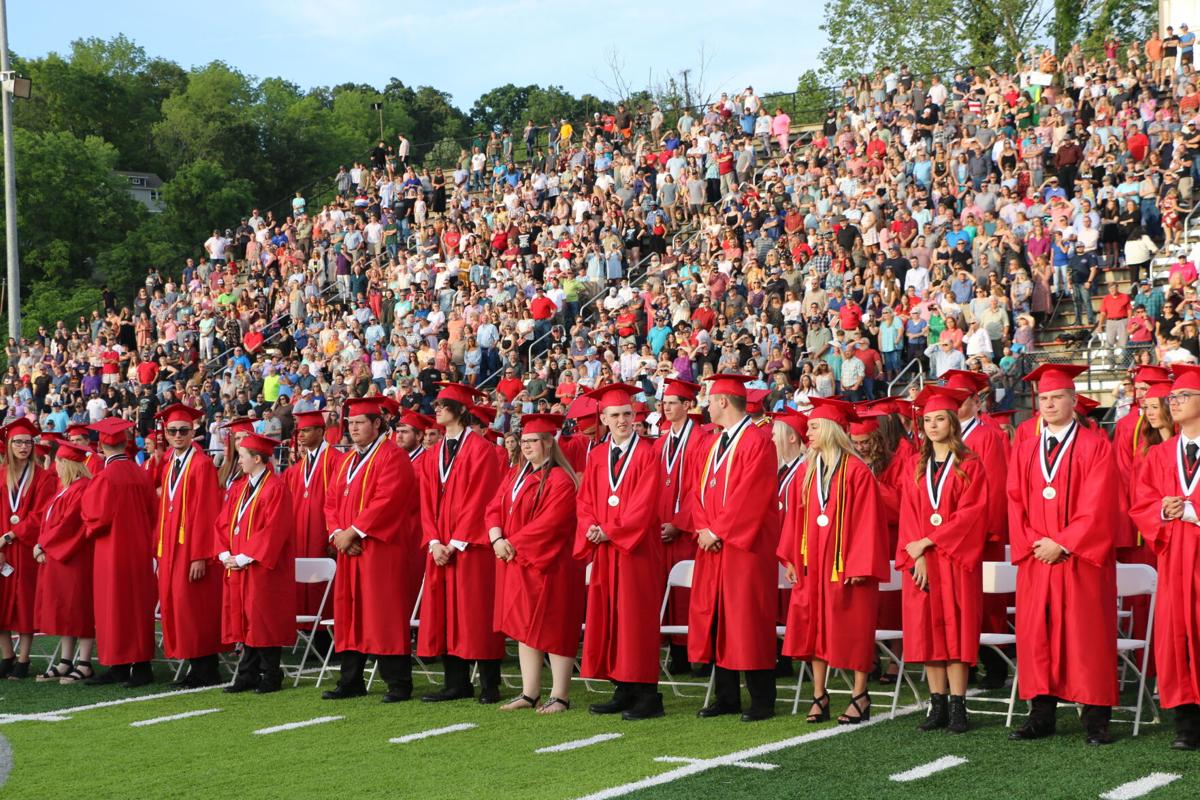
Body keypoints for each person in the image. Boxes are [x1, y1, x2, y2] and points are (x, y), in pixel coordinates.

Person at [1006, 364, 1119, 745]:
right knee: (1037, 634)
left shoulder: (1095, 445)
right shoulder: (1024, 449)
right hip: (1038, 559)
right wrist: (1035, 543)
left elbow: (1099, 505)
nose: (1050, 403)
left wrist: (1064, 543)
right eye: (1044, 398)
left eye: (1057, 397)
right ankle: (1041, 714)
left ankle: (1096, 719)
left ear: (1074, 401)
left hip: (1078, 560)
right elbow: (1014, 503)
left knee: (1086, 635)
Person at [779, 397, 889, 725]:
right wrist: (790, 558)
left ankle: (859, 695)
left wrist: (860, 565)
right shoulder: (808, 472)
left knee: (853, 629)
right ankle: (819, 695)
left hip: (846, 566)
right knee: (812, 627)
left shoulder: (857, 472)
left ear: (829, 429)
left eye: (813, 426)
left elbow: (869, 521)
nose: (807, 432)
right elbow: (795, 520)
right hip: (812, 563)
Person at [689, 373, 782, 722]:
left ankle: (761, 699)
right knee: (717, 618)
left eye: (710, 400)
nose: (707, 406)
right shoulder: (714, 443)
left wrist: (718, 531)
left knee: (747, 619)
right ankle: (726, 696)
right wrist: (702, 528)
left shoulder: (758, 442)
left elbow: (752, 497)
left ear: (724, 402)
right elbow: (696, 492)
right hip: (713, 546)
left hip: (745, 548)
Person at [896, 386, 988, 733]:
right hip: (922, 563)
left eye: (940, 419)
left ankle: (959, 705)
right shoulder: (913, 467)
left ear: (952, 422)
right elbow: (908, 514)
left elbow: (971, 515)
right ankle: (936, 705)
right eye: (928, 421)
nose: (933, 426)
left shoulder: (970, 465)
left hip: (954, 562)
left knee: (956, 632)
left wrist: (928, 542)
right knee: (927, 635)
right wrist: (915, 553)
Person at [574, 382, 665, 721]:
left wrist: (610, 530)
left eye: (628, 413)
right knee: (611, 616)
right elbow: (584, 501)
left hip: (636, 550)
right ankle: (622, 687)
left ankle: (647, 694)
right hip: (606, 550)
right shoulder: (596, 455)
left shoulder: (648, 454)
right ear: (604, 418)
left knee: (635, 619)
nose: (624, 420)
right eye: (616, 415)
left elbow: (645, 505)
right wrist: (591, 528)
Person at [322, 396, 421, 703]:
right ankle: (351, 679)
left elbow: (389, 500)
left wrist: (353, 532)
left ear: (377, 424)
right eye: (350, 423)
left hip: (380, 548)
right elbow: (332, 502)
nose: (353, 429)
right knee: (350, 611)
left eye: (360, 423)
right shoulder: (347, 460)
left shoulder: (393, 457)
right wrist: (338, 533)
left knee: (383, 612)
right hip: (349, 549)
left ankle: (398, 683)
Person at [486, 413, 584, 713]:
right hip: (517, 561)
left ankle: (560, 695)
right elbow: (493, 507)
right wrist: (495, 538)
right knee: (523, 625)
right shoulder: (516, 475)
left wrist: (512, 544)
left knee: (554, 626)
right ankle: (529, 693)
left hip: (550, 564)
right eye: (524, 441)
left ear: (548, 443)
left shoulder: (560, 480)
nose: (526, 446)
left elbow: (551, 523)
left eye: (533, 441)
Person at [417, 382, 505, 703]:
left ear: (460, 410)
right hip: (440, 547)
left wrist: (456, 542)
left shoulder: (481, 450)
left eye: (442, 404)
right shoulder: (432, 454)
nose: (436, 409)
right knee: (444, 613)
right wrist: (433, 541)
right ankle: (455, 684)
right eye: (437, 404)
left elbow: (482, 499)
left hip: (471, 548)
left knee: (476, 612)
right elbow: (425, 502)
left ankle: (489, 684)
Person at [1129, 364, 1200, 750]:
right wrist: (1160, 509)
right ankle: (1186, 722)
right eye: (1172, 398)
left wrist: (1191, 510)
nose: (1174, 403)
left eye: (1183, 396)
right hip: (1174, 558)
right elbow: (1141, 501)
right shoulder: (1160, 454)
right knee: (1177, 637)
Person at [941, 368, 1011, 687]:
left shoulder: (987, 435)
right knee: (956, 602)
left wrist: (987, 531)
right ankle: (962, 662)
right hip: (951, 535)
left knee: (986, 604)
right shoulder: (946, 438)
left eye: (959, 399)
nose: (953, 405)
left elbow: (995, 488)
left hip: (980, 534)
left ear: (974, 400)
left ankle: (994, 666)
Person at [216, 433, 296, 694]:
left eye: (242, 457)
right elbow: (224, 522)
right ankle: (248, 673)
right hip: (239, 566)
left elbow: (275, 529)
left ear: (257, 459)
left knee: (263, 618)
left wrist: (244, 556)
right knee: (246, 619)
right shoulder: (240, 487)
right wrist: (223, 552)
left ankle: (272, 674)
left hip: (262, 566)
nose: (239, 462)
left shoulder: (276, 487)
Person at [80, 417, 157, 687]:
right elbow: (152, 512)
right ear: (126, 443)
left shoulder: (105, 476)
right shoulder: (141, 474)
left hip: (112, 551)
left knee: (114, 607)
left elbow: (95, 517)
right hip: (139, 549)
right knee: (137, 607)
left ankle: (119, 664)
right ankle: (140, 665)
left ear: (101, 445)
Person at [154, 404, 227, 687]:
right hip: (170, 548)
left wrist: (200, 555)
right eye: (172, 431)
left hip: (191, 549)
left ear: (193, 431)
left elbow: (207, 512)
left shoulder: (202, 464)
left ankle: (206, 668)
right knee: (177, 607)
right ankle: (194, 665)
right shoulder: (171, 462)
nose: (178, 435)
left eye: (183, 430)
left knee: (193, 607)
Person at [653, 379, 712, 675]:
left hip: (688, 532)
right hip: (663, 531)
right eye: (664, 402)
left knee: (691, 594)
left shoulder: (701, 440)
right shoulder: (661, 442)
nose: (666, 406)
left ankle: (698, 656)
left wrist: (678, 523)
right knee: (669, 591)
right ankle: (677, 654)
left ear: (688, 405)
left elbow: (699, 490)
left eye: (673, 402)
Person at [32, 441, 96, 683]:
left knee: (80, 608)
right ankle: (66, 661)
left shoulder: (82, 488)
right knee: (66, 610)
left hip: (75, 559)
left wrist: (43, 545)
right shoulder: (65, 488)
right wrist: (42, 544)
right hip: (58, 558)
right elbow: (49, 522)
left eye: (57, 461)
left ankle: (85, 662)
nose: (53, 466)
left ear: (66, 464)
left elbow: (70, 525)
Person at [0, 418, 57, 679]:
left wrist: (12, 534)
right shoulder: (1, 476)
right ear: (8, 445)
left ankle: (23, 660)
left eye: (27, 442)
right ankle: (6, 656)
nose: (23, 446)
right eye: (18, 442)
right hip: (1, 547)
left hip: (24, 548)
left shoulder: (43, 477)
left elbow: (41, 515)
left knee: (24, 602)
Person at [284, 410, 344, 623]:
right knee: (304, 583)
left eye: (307, 430)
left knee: (326, 585)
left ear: (321, 431)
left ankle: (326, 635)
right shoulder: (295, 470)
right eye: (299, 431)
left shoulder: (337, 460)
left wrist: (334, 536)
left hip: (324, 534)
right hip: (301, 535)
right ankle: (308, 629)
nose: (301, 435)